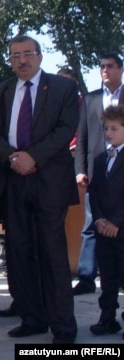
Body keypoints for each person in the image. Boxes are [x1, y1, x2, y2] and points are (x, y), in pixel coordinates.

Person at [0, 35, 79, 344]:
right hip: (13, 180)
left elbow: (66, 129)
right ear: (10, 60)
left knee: (52, 254)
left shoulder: (63, 88)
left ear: (40, 56)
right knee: (20, 253)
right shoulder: (0, 92)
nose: (22, 60)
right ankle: (32, 318)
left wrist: (33, 157)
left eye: (28, 54)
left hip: (49, 180)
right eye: (15, 56)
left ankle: (63, 326)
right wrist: (13, 157)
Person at [74, 53, 124, 296]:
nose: (105, 70)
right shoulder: (91, 99)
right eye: (102, 66)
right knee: (91, 224)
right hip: (97, 170)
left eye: (110, 66)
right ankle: (86, 277)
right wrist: (80, 169)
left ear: (121, 70)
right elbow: (82, 135)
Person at [87, 105, 124, 338]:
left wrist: (116, 222)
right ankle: (107, 317)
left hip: (121, 228)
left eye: (114, 128)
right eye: (106, 128)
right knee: (108, 275)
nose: (108, 133)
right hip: (104, 229)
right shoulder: (101, 159)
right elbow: (95, 192)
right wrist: (99, 218)